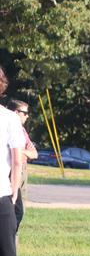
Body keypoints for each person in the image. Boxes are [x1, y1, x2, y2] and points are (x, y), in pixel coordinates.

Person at [0, 67, 43, 256]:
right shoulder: (9, 119)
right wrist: (14, 191)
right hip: (1, 194)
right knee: (7, 255)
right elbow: (17, 160)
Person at [7, 99, 38, 233]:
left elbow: (34, 153)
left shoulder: (22, 131)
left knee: (19, 210)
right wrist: (21, 152)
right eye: (24, 113)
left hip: (23, 169)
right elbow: (10, 152)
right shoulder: (7, 127)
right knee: (14, 210)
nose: (27, 116)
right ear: (15, 112)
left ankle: (11, 240)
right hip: (12, 170)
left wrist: (21, 151)